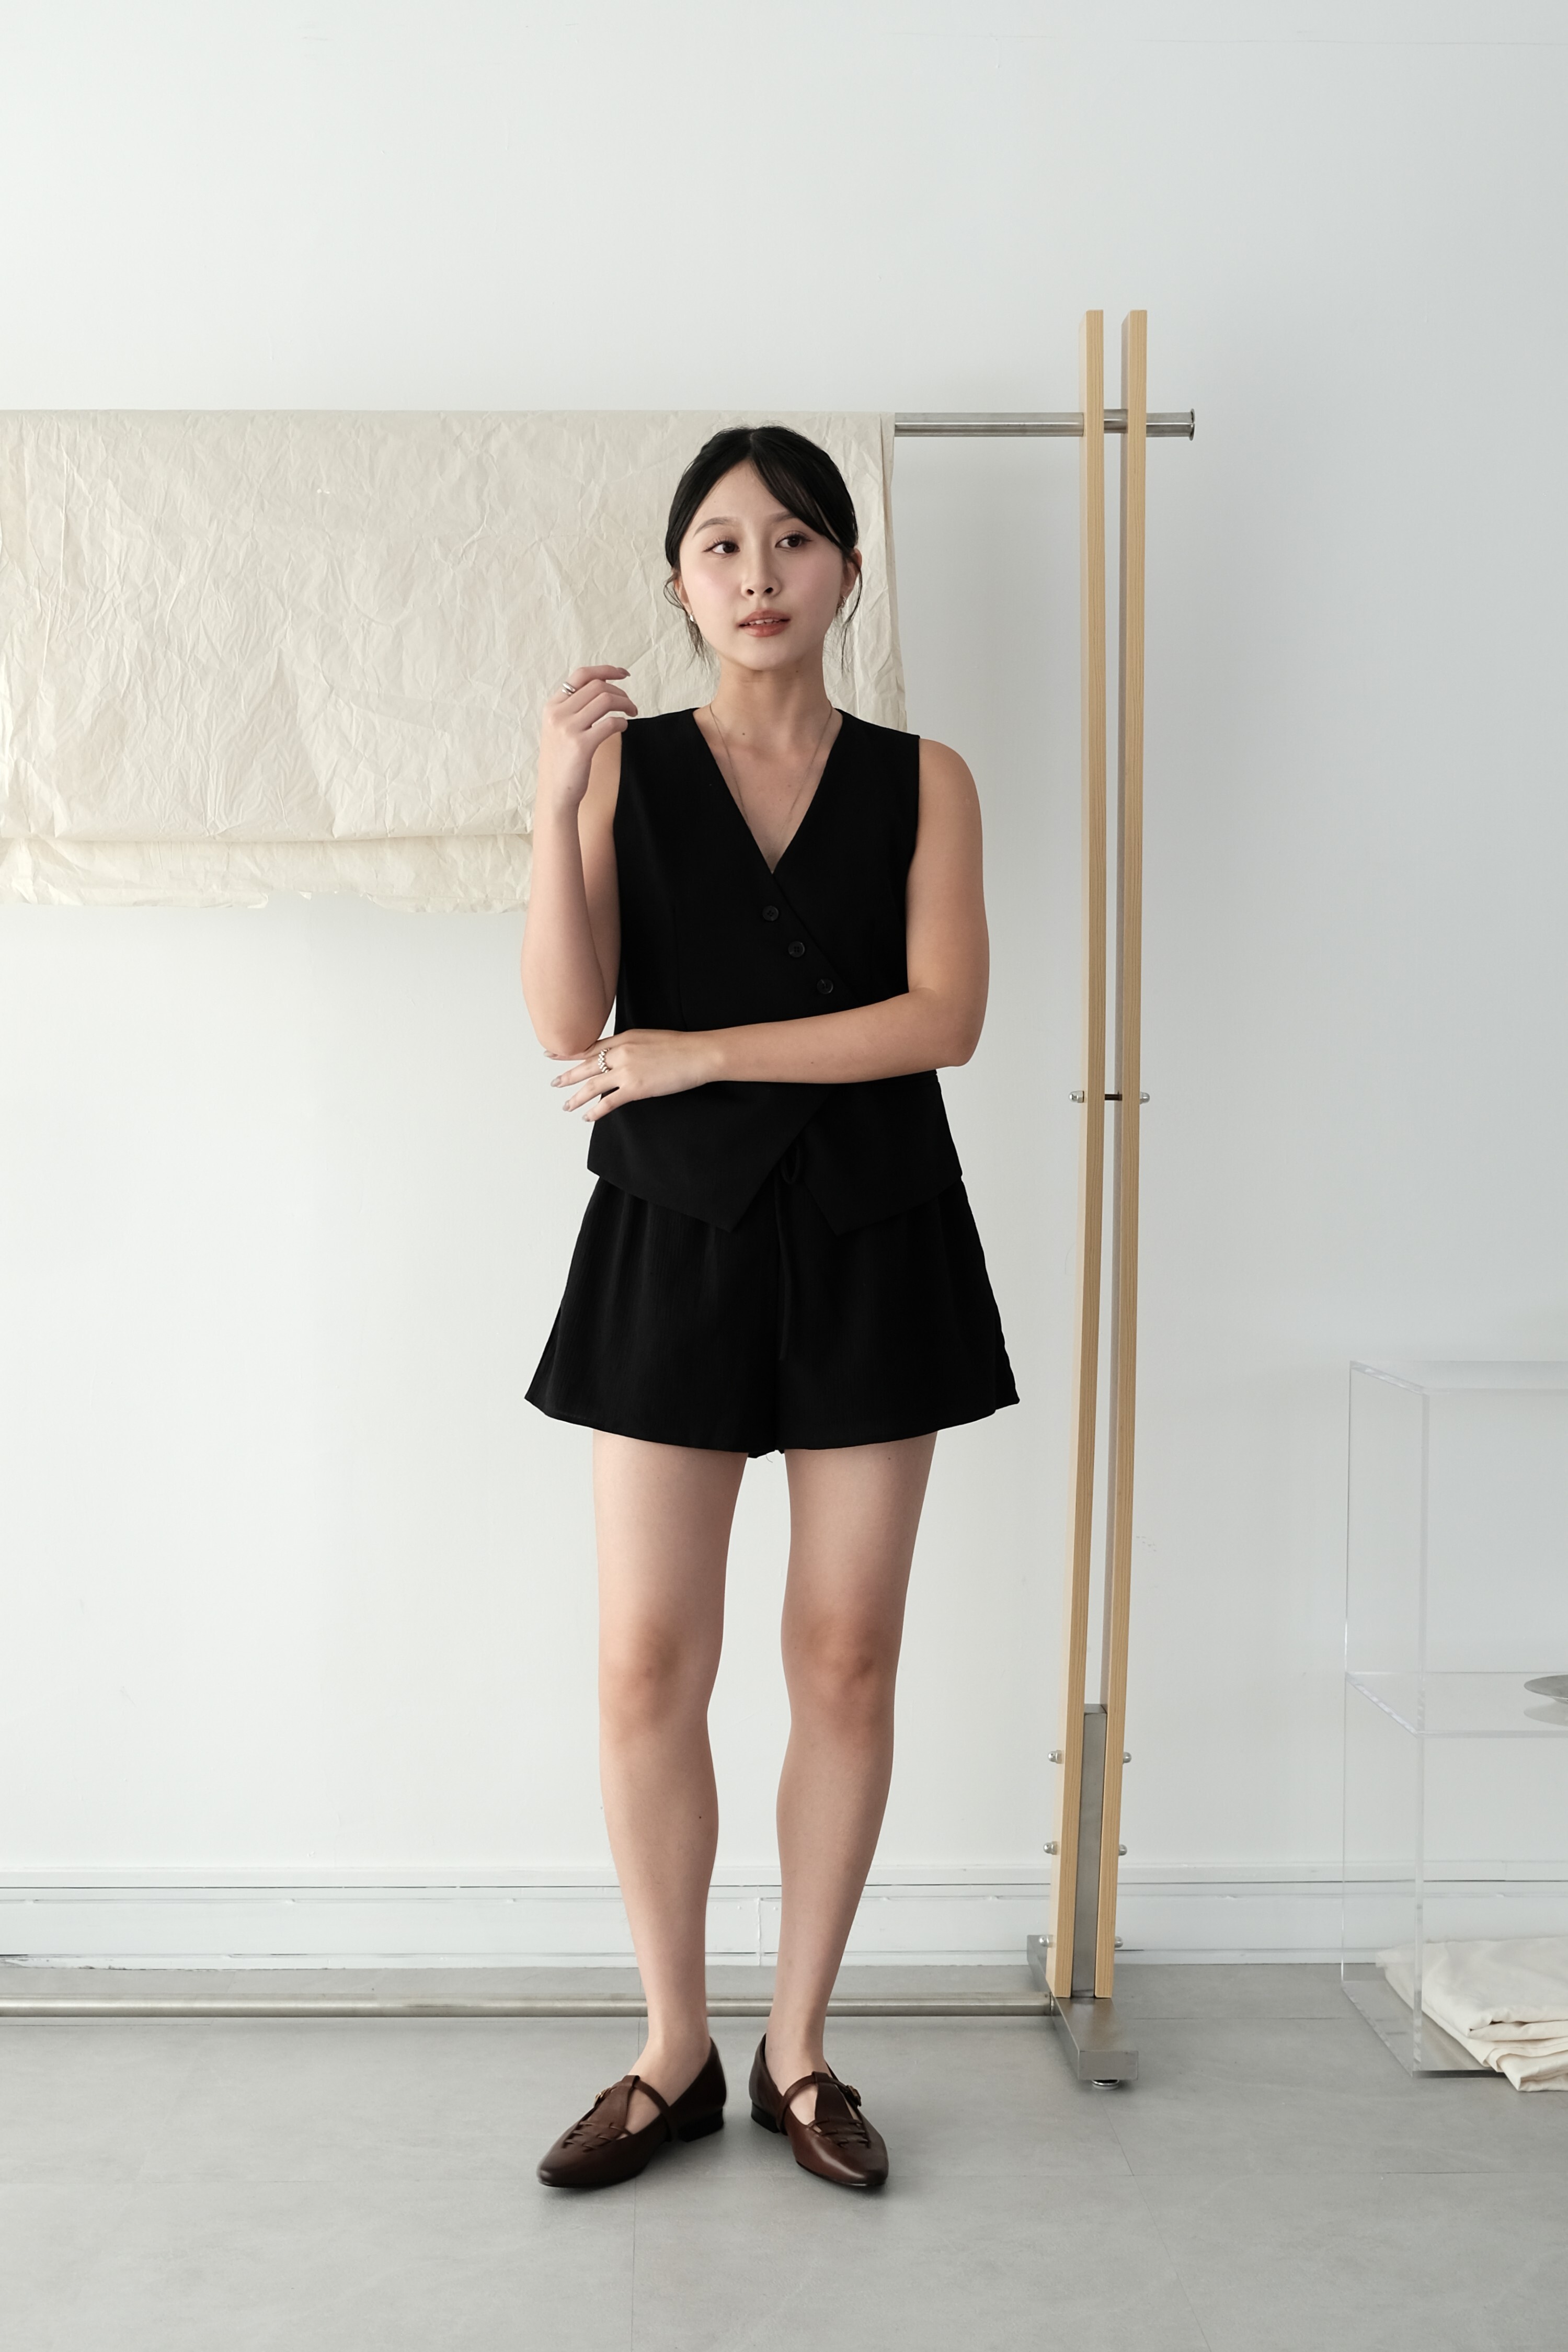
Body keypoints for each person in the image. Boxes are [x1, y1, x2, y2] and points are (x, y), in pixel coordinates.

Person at [520, 424, 1017, 2192]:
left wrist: (707, 1052)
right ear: (680, 581)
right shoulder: (626, 772)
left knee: (846, 1653)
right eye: (722, 545)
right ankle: (673, 2048)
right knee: (648, 1657)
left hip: (879, 1232)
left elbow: (945, 1018)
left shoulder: (926, 778)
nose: (758, 573)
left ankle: (800, 2049)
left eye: (794, 540)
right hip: (674, 1233)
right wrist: (550, 810)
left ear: (846, 575)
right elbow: (567, 1022)